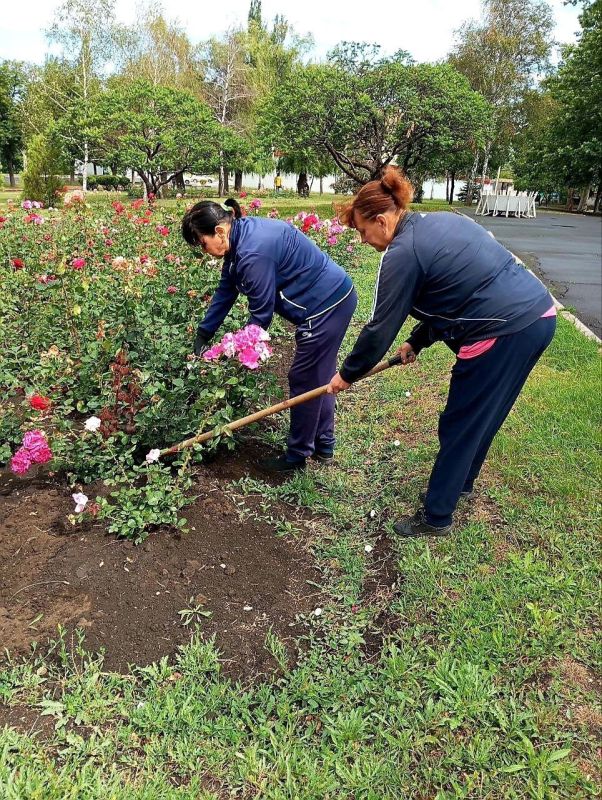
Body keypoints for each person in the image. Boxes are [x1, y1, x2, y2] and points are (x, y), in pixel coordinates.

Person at [327, 167, 556, 538]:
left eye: (362, 230)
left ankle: (436, 515)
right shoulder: (438, 222)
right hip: (538, 315)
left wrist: (347, 374)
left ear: (381, 221)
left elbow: (379, 329)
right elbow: (455, 291)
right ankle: (460, 483)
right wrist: (417, 341)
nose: (363, 239)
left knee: (460, 423)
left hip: (502, 330)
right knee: (485, 413)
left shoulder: (403, 252)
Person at [182, 198, 357, 472]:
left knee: (304, 378)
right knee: (320, 375)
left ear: (219, 231)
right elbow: (226, 289)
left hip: (326, 305)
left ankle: (297, 456)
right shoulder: (240, 237)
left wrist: (236, 355)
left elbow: (261, 315)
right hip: (335, 296)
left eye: (203, 244)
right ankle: (324, 444)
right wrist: (204, 334)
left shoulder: (252, 253)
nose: (205, 252)